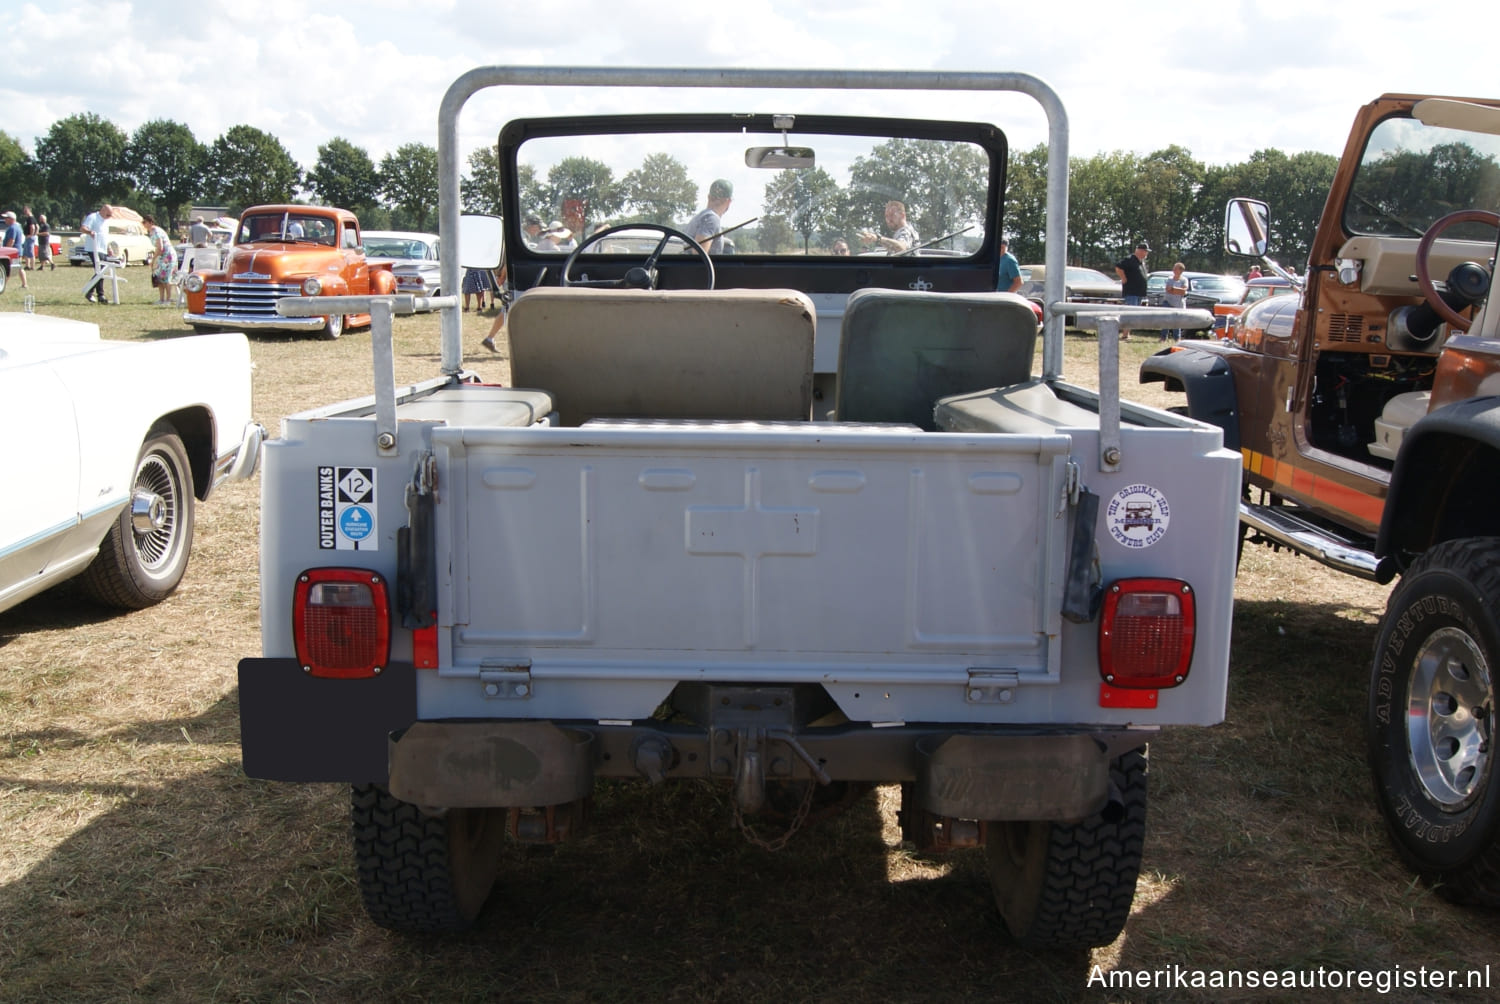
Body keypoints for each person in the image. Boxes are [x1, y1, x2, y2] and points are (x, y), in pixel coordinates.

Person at [684, 179, 734, 252]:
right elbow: (699, 255)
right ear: (729, 201)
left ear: (708, 197)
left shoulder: (702, 216)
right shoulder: (711, 219)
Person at [1114, 240, 1150, 340]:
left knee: (1134, 314)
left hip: (1139, 293)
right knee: (1129, 313)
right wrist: (1123, 278)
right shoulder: (1130, 259)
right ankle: (1124, 334)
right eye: (1145, 251)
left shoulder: (1141, 262)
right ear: (1140, 251)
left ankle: (1127, 333)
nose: (1146, 253)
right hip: (1131, 292)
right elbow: (1118, 267)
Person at [80, 204, 114, 302]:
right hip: (93, 248)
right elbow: (83, 228)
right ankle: (94, 293)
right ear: (102, 210)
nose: (109, 217)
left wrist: (109, 247)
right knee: (101, 270)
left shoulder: (106, 221)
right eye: (108, 215)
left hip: (102, 249)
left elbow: (104, 236)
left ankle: (98, 295)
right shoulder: (93, 217)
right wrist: (90, 232)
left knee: (101, 271)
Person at [143, 213, 177, 305]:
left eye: (144, 222)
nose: (143, 224)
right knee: (160, 278)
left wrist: (153, 260)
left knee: (166, 278)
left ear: (150, 222)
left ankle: (168, 299)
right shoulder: (151, 232)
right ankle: (161, 299)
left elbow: (160, 247)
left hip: (168, 256)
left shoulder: (156, 231)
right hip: (162, 256)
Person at [1161, 261, 1188, 342]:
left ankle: (1177, 338)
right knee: (1166, 320)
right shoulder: (1169, 279)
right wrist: (1176, 290)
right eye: (1174, 268)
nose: (1174, 270)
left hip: (1178, 303)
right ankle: (1163, 337)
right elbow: (1168, 289)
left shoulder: (1184, 280)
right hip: (1168, 301)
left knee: (1177, 321)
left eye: (1176, 268)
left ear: (1180, 270)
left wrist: (1173, 289)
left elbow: (1183, 291)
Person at [2, 212, 28, 290]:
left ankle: (2, 284)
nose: (5, 219)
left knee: (8, 269)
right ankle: (24, 284)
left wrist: (6, 251)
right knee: (19, 268)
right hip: (17, 251)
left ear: (12, 219)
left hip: (12, 252)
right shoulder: (17, 227)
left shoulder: (12, 228)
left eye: (7, 218)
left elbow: (11, 240)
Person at [20, 205, 37, 270]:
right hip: (28, 237)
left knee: (30, 252)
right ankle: (27, 265)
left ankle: (32, 267)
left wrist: (31, 235)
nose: (24, 212)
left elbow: (33, 227)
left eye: (26, 210)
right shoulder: (31, 218)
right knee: (26, 251)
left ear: (29, 210)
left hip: (29, 237)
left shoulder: (30, 218)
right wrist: (35, 234)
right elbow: (37, 226)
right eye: (24, 210)